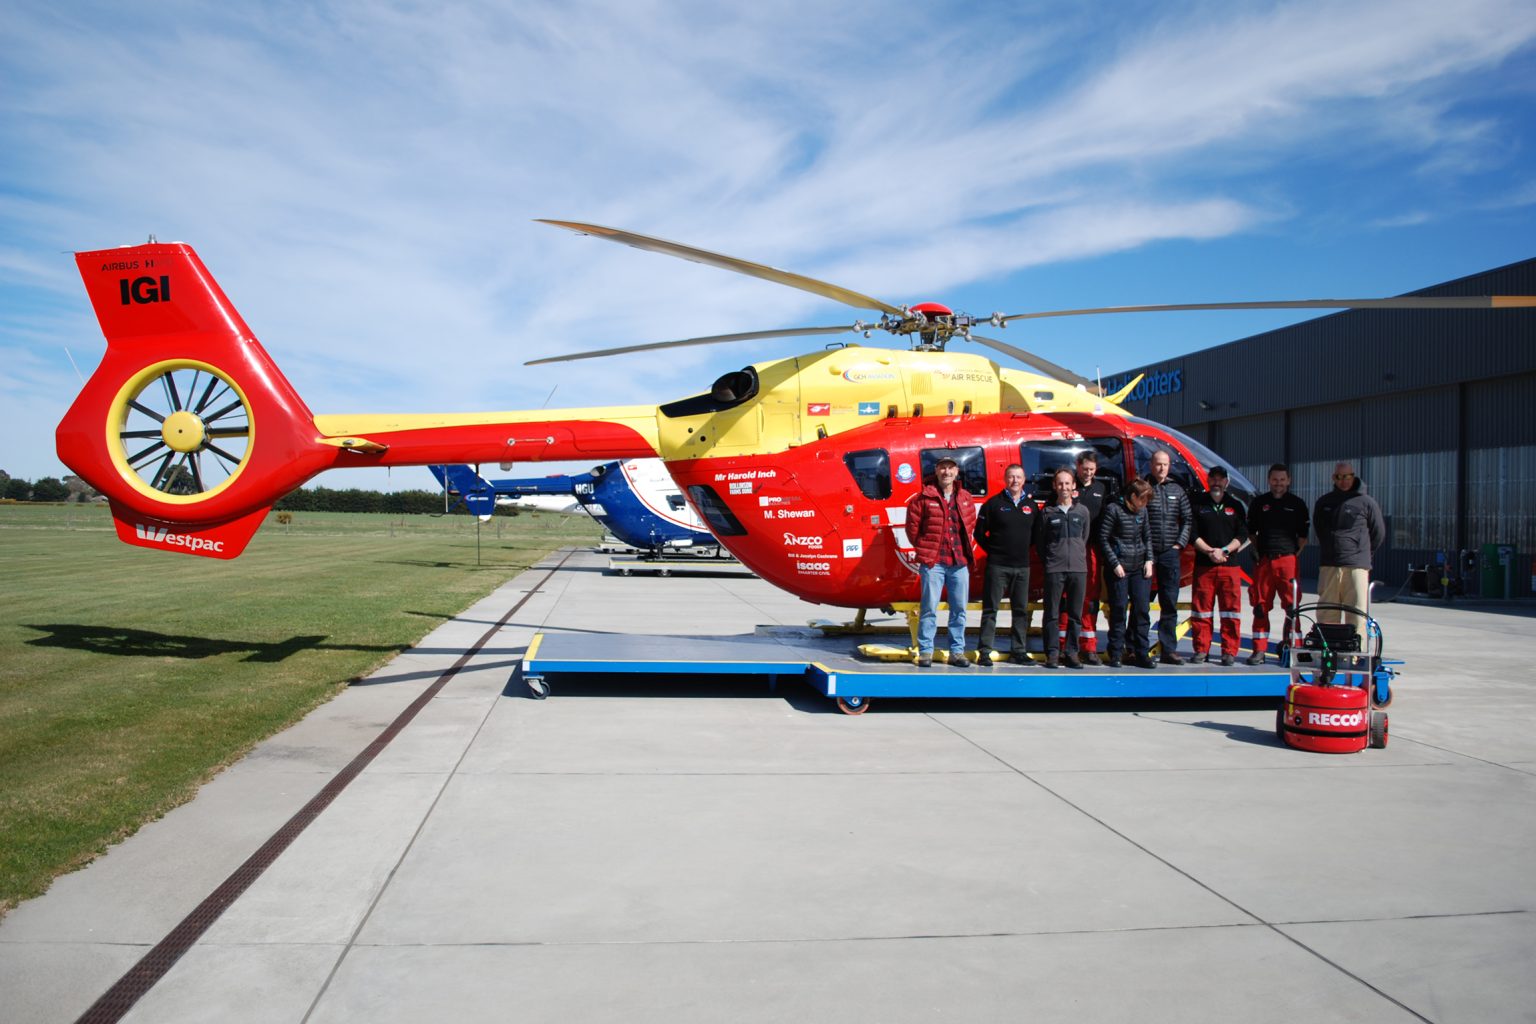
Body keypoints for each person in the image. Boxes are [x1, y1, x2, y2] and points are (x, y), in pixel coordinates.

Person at [905, 455, 978, 667]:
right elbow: (912, 529)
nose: (947, 472)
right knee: (929, 607)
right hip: (933, 563)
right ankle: (926, 651)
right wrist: (926, 549)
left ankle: (957, 652)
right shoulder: (922, 498)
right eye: (943, 468)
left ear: (956, 472)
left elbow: (970, 523)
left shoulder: (965, 497)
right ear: (936, 471)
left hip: (959, 562)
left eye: (950, 468)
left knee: (959, 609)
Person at [975, 463, 1041, 665]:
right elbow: (979, 533)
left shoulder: (1032, 506)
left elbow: (1036, 535)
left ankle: (1018, 651)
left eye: (1018, 477)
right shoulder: (993, 504)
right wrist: (995, 550)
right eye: (1011, 477)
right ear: (1005, 479)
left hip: (1022, 567)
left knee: (1020, 610)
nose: (1015, 481)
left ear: (1024, 480)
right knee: (991, 609)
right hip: (998, 566)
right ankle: (985, 651)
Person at [1313, 461, 1386, 639]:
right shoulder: (1324, 502)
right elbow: (1319, 530)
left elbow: (1378, 533)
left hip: (1356, 567)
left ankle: (1356, 651)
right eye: (1339, 477)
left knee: (1356, 614)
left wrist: (1362, 554)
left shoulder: (1366, 502)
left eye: (1347, 476)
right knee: (1327, 613)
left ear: (1353, 476)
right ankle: (1329, 649)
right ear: (1334, 478)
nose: (1343, 480)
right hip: (1329, 566)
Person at [1245, 463, 1310, 664]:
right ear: (1269, 480)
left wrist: (1292, 555)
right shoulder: (1259, 503)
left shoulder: (1297, 504)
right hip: (1265, 561)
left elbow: (1303, 537)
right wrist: (1259, 551)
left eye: (1282, 479)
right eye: (1275, 479)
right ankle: (1259, 651)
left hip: (1288, 561)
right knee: (1260, 607)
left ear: (1288, 481)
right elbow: (1252, 532)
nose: (1278, 483)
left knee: (1292, 608)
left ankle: (1293, 649)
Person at [1189, 467, 1249, 666]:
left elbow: (1242, 534)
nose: (1216, 482)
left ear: (1226, 482)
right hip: (1204, 566)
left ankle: (1229, 651)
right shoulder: (1198, 504)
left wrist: (1224, 551)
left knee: (1230, 611)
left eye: (1220, 479)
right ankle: (1201, 649)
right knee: (1201, 611)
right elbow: (1192, 534)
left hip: (1229, 566)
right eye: (1213, 478)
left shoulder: (1235, 506)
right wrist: (1209, 551)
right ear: (1208, 481)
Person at [1063, 450, 1116, 664]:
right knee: (1067, 598)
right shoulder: (1068, 485)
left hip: (1091, 549)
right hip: (1069, 548)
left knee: (1090, 598)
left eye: (1092, 470)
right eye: (1085, 469)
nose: (1088, 473)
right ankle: (1064, 646)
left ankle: (1089, 646)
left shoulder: (1101, 489)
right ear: (1078, 466)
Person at [1036, 468, 1091, 669]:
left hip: (1078, 569)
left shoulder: (1082, 512)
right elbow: (1041, 543)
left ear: (1074, 485)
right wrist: (1051, 559)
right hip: (1054, 568)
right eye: (1060, 483)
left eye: (1067, 483)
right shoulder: (1047, 512)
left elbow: (1084, 537)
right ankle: (1052, 653)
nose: (1064, 487)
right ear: (1054, 486)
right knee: (1051, 613)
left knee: (1075, 614)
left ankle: (1072, 652)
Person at [1098, 478, 1155, 669]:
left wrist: (1149, 560)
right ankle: (1115, 652)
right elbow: (1103, 538)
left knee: (1142, 610)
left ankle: (1141, 652)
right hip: (1119, 568)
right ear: (1132, 496)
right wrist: (1114, 563)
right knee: (1119, 610)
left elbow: (1147, 536)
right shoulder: (1113, 509)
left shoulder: (1143, 512)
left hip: (1139, 567)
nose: (1145, 504)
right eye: (1142, 499)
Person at [1145, 449, 1193, 664]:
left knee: (1169, 604)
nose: (1162, 468)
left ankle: (1168, 650)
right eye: (1158, 464)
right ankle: (1137, 647)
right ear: (1151, 465)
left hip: (1169, 555)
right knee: (1141, 603)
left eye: (1165, 464)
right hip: (1146, 555)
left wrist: (1178, 544)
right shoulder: (1143, 488)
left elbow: (1187, 519)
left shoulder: (1177, 490)